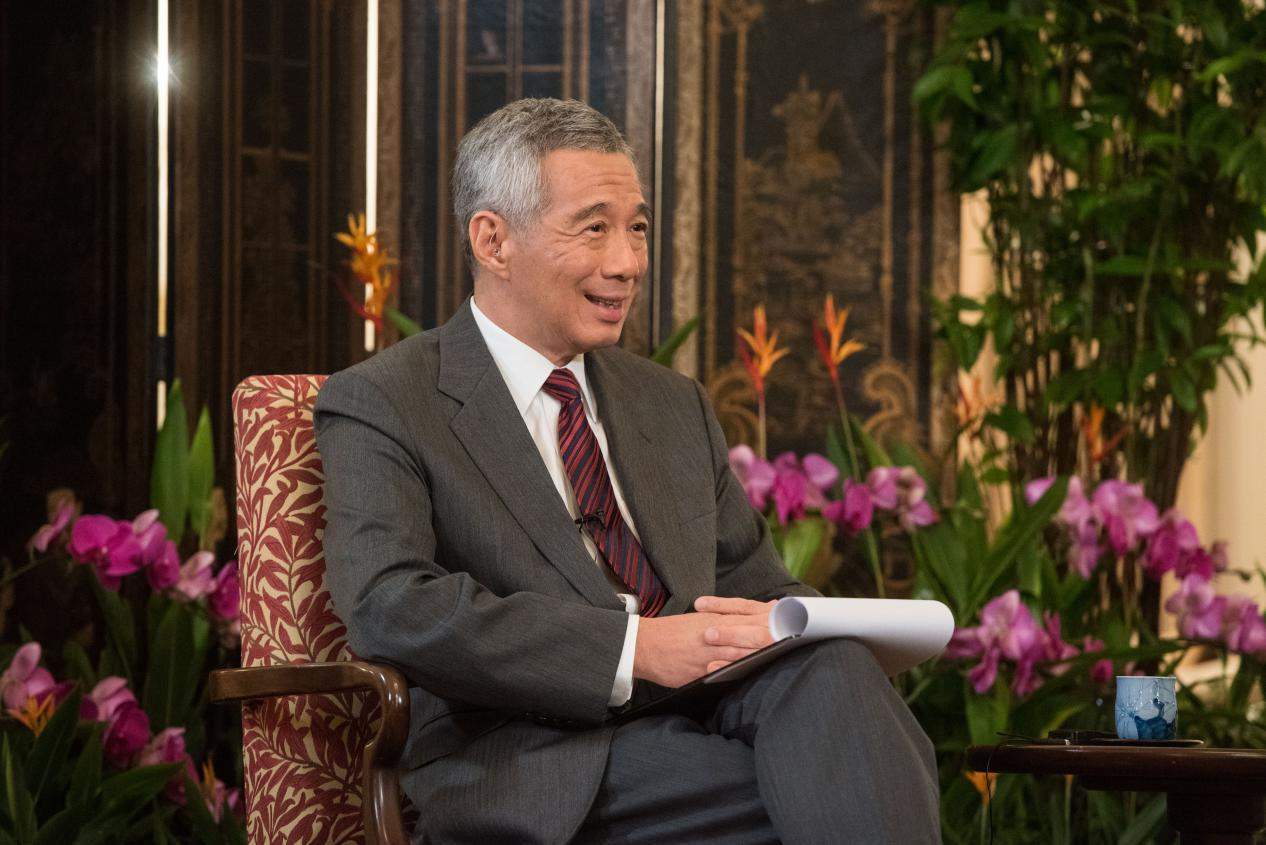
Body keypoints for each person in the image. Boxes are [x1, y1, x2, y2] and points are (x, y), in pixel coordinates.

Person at [314, 97, 939, 844]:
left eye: (637, 227)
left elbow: (755, 585)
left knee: (835, 672)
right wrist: (636, 648)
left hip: (710, 707)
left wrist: (804, 622)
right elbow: (391, 604)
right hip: (539, 751)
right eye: (594, 228)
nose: (628, 262)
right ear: (493, 240)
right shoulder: (387, 399)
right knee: (844, 785)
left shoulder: (670, 402)